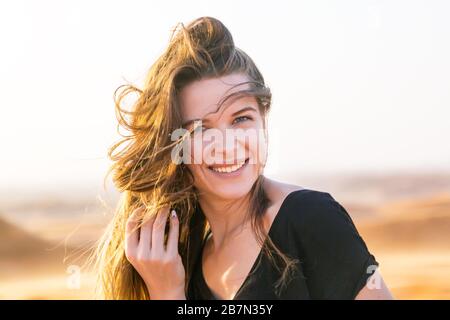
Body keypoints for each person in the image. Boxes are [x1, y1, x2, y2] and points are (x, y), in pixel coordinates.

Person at [94, 16, 393, 300]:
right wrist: (168, 292)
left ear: (263, 118)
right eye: (200, 129)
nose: (226, 146)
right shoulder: (179, 260)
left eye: (240, 119)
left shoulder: (311, 219)